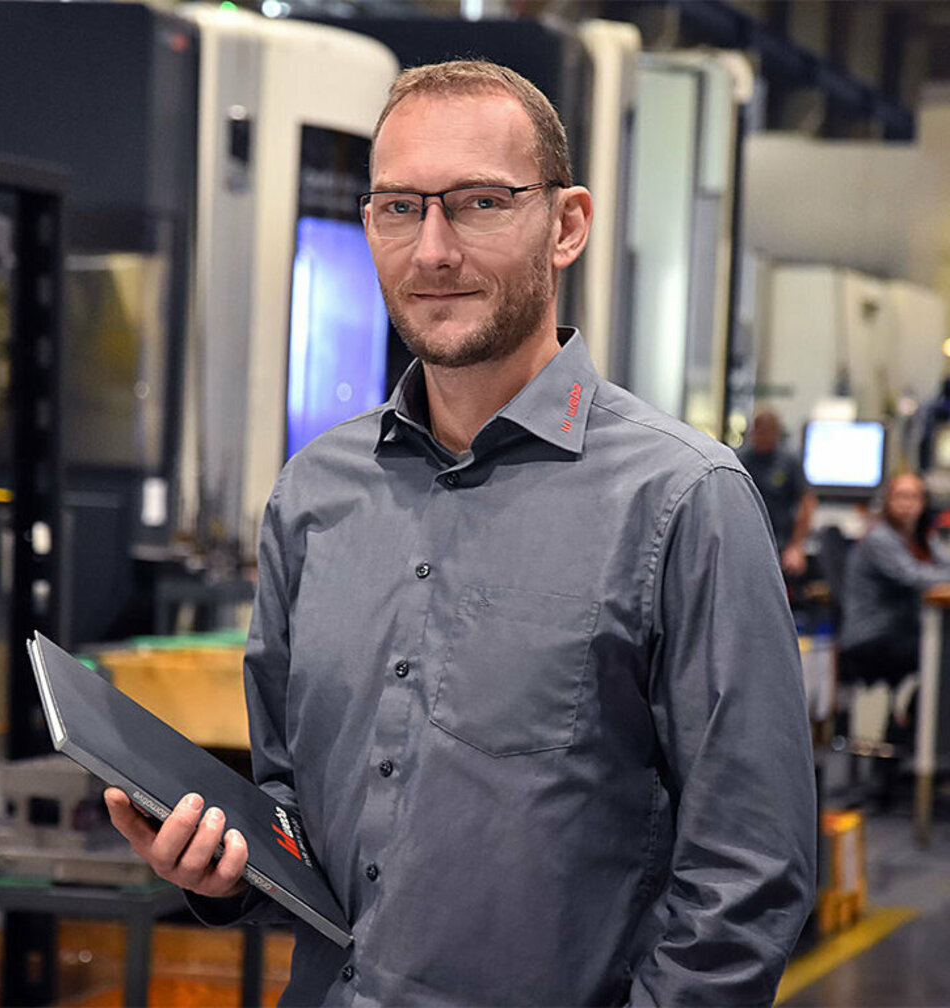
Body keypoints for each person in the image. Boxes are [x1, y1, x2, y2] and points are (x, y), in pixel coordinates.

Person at [105, 60, 816, 1006]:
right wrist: (224, 870)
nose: (432, 249)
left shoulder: (685, 502)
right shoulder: (314, 496)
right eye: (400, 207)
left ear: (567, 225)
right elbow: (289, 804)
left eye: (479, 202)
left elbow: (749, 871)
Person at [839, 472, 950, 687]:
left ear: (923, 503)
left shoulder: (920, 537)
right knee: (941, 651)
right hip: (873, 635)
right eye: (900, 496)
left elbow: (944, 566)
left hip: (903, 630)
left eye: (913, 497)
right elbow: (914, 577)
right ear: (888, 501)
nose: (907, 504)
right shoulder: (879, 537)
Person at [737, 407, 816, 578]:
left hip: (780, 542)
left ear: (776, 434)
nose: (762, 439)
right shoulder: (740, 460)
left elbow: (807, 502)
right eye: (759, 433)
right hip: (745, 541)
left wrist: (797, 546)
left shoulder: (788, 461)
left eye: (767, 434)